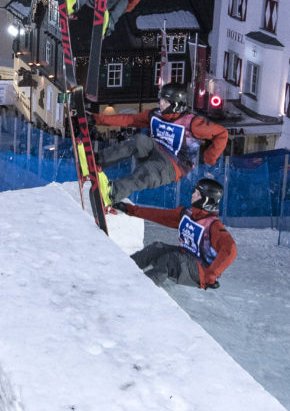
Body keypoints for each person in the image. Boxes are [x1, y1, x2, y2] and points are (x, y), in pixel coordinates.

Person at [93, 83, 229, 206]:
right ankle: (97, 160)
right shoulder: (155, 115)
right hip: (155, 150)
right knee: (139, 140)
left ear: (176, 104)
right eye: (161, 100)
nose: (161, 104)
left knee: (146, 172)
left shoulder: (192, 123)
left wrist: (209, 158)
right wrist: (96, 119)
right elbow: (129, 119)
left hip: (174, 165)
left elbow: (221, 133)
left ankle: (113, 193)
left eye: (165, 102)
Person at [113, 178, 236, 290]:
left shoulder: (213, 226)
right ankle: (120, 271)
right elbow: (158, 215)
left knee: (169, 260)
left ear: (206, 201)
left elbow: (230, 250)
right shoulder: (186, 215)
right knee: (155, 248)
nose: (193, 195)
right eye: (194, 192)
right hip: (184, 256)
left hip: (199, 271)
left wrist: (211, 274)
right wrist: (129, 209)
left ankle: (137, 289)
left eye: (198, 194)